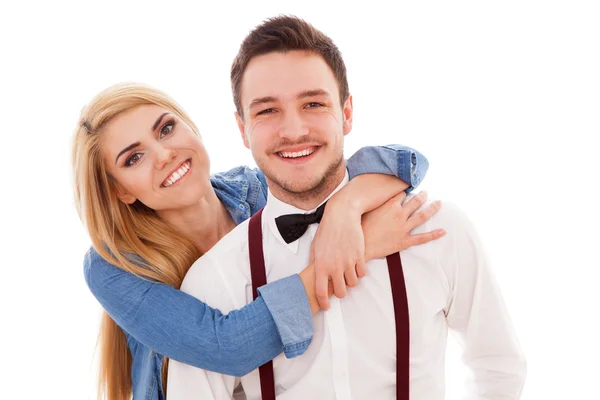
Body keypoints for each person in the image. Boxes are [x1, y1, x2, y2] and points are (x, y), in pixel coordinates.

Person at [167, 15, 527, 399]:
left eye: (313, 103)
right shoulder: (215, 278)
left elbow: (499, 367)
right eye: (267, 110)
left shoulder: (437, 228)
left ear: (347, 112)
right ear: (242, 129)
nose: (293, 131)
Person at [74, 81, 443, 400]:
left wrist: (347, 208)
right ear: (119, 191)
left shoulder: (255, 191)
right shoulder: (112, 266)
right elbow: (227, 346)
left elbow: (407, 160)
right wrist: (356, 248)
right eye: (134, 158)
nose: (164, 154)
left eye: (166, 129)